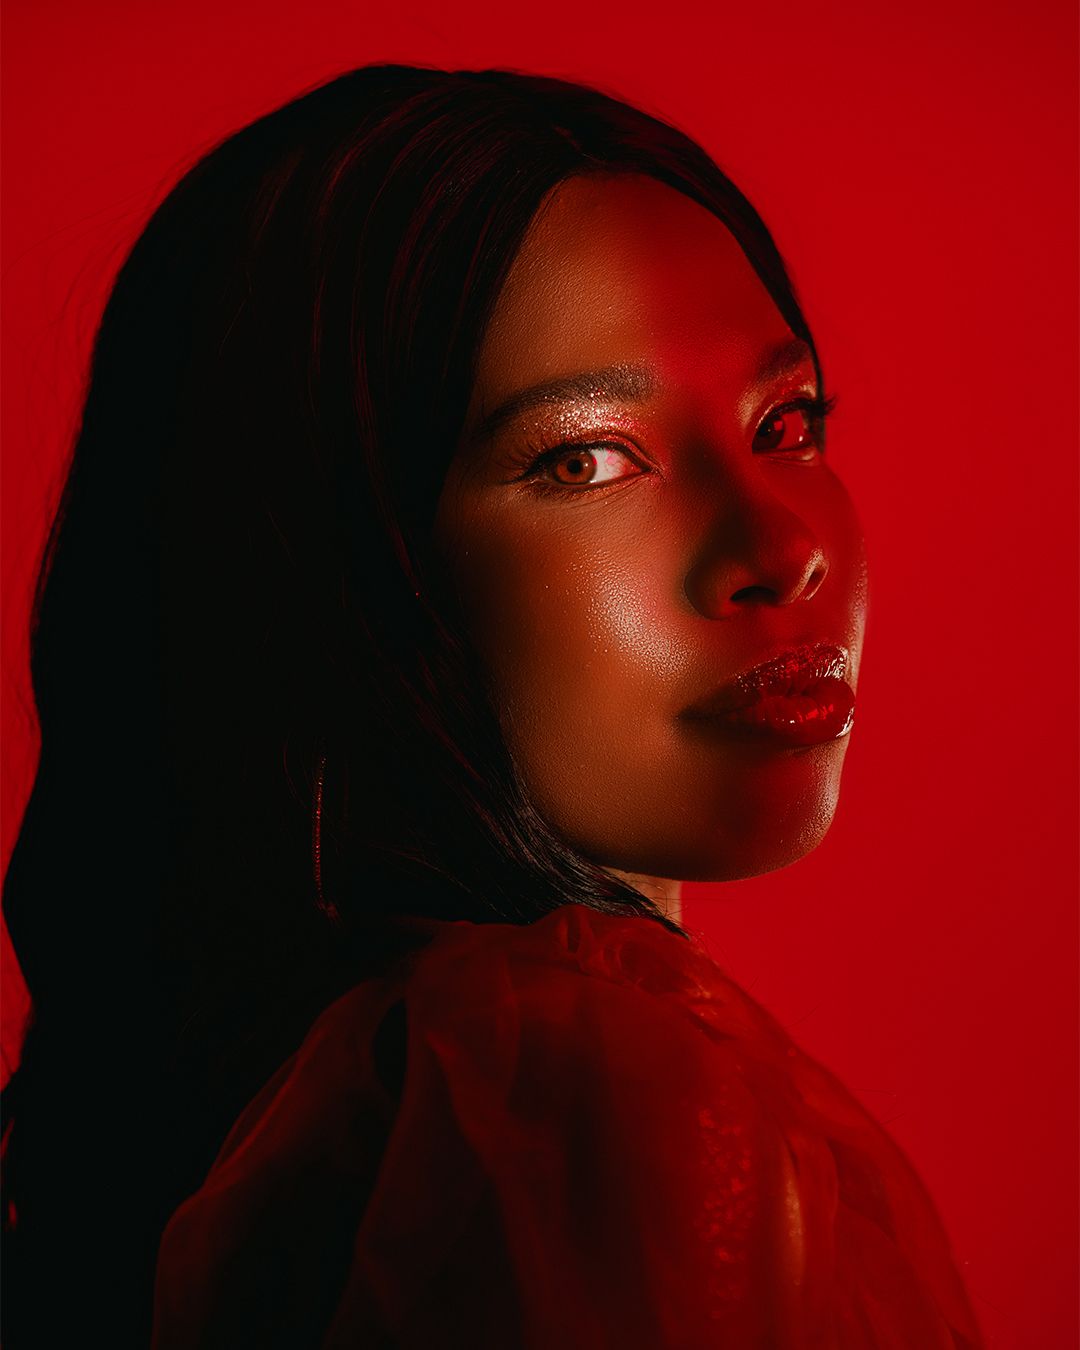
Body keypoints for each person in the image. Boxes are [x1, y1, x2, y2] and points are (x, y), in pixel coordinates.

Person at [0, 63, 983, 1347]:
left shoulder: (295, 1104)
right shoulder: (588, 1097)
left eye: (785, 423)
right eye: (586, 458)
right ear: (338, 565)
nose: (780, 550)